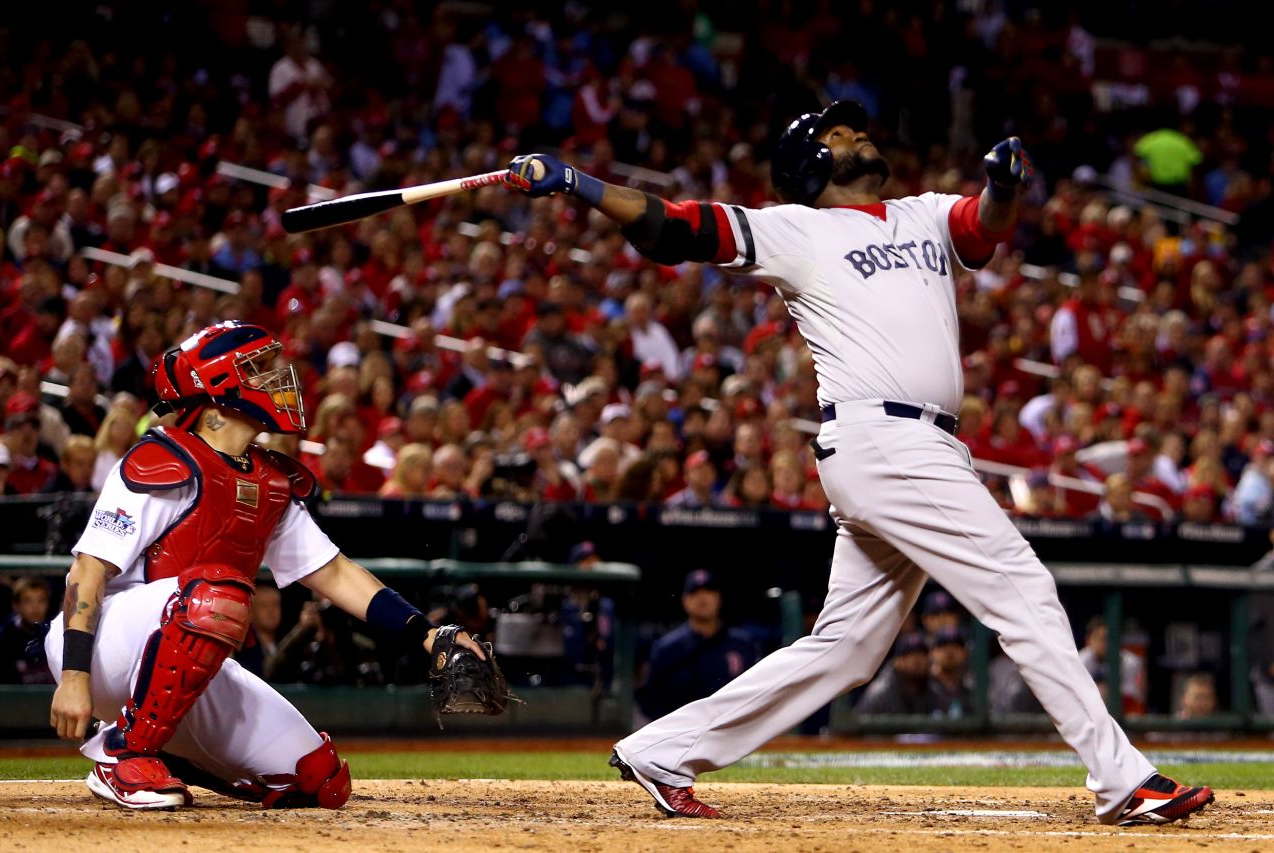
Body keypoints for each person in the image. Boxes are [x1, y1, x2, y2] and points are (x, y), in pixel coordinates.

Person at [505, 100, 1211, 825]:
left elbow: (982, 229)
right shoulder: (797, 227)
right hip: (884, 439)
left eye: (855, 127)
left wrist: (1004, 187)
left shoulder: (925, 211)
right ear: (810, 162)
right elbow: (674, 226)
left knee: (847, 648)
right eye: (837, 134)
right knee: (1020, 588)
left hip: (911, 445)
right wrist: (578, 184)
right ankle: (1123, 779)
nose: (857, 135)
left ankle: (664, 747)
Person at [45, 321, 488, 810]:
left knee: (317, 780)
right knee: (219, 594)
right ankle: (123, 752)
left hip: (185, 656)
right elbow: (86, 572)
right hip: (104, 644)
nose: (274, 380)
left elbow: (336, 574)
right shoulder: (161, 455)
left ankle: (164, 755)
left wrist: (428, 635)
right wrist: (74, 676)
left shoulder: (268, 480)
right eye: (255, 370)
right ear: (215, 390)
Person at [636, 570, 758, 722]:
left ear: (718, 598)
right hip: (683, 736)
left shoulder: (742, 644)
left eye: (709, 591)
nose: (703, 597)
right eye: (695, 592)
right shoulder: (667, 649)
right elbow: (649, 703)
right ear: (685, 601)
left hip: (734, 730)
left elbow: (755, 693)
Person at [1077, 616, 1147, 716]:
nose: (1105, 644)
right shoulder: (1081, 661)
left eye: (1109, 639)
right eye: (1101, 639)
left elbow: (1136, 695)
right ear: (1089, 640)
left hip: (1122, 713)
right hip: (1090, 713)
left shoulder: (1130, 662)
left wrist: (1109, 691)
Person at [853, 632, 936, 715]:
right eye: (909, 656)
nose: (917, 661)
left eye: (922, 655)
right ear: (897, 661)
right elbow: (858, 724)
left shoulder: (931, 687)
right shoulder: (881, 693)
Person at [0, 576, 54, 684]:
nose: (35, 607)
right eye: (28, 601)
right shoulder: (3, 639)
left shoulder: (56, 633)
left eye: (41, 601)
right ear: (16, 605)